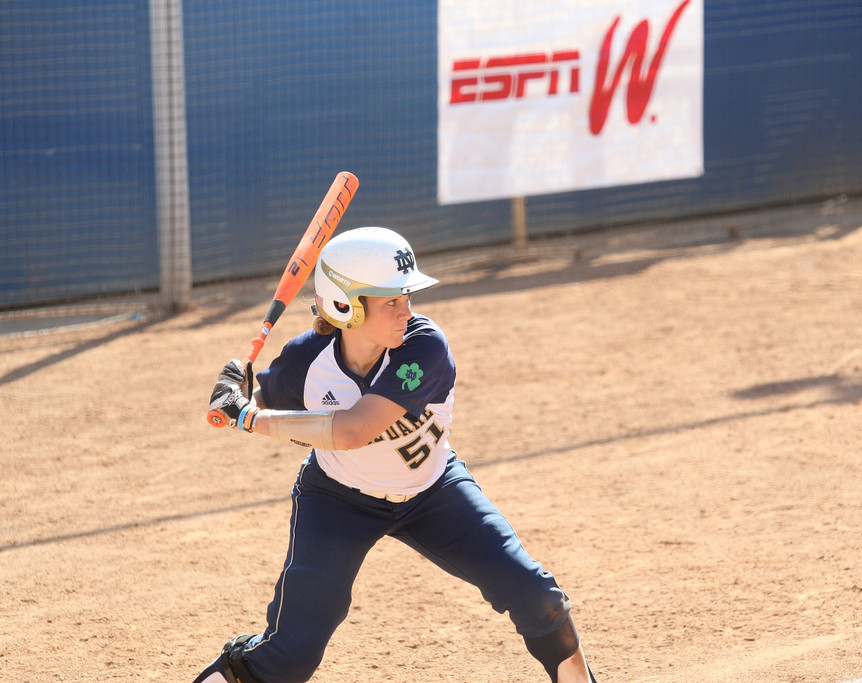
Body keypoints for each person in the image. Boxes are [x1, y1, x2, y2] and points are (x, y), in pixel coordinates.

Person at [195, 227, 598, 683]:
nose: (407, 310)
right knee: (292, 655)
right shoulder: (308, 361)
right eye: (391, 301)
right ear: (345, 306)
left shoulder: (424, 347)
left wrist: (246, 418)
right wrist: (234, 388)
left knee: (534, 594)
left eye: (405, 297)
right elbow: (264, 390)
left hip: (434, 491)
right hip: (337, 501)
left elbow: (352, 430)